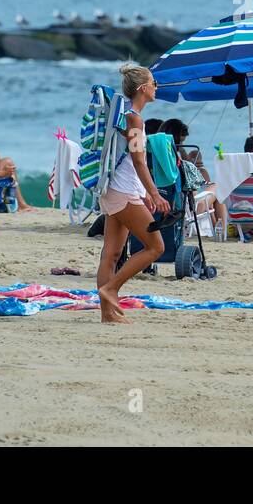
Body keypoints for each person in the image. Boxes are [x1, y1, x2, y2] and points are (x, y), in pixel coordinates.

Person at [95, 63, 170, 323]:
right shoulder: (134, 118)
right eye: (154, 83)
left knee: (112, 253)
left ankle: (108, 314)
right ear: (143, 88)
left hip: (115, 188)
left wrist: (145, 192)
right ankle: (111, 289)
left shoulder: (125, 114)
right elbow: (138, 161)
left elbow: (129, 159)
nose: (156, 87)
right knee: (156, 246)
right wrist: (155, 193)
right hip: (123, 190)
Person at [160, 117, 228, 234]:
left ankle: (218, 229)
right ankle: (222, 232)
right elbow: (192, 188)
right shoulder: (176, 163)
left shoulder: (160, 159)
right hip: (188, 208)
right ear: (175, 140)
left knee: (212, 195)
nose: (182, 145)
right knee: (218, 187)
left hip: (169, 204)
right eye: (181, 142)